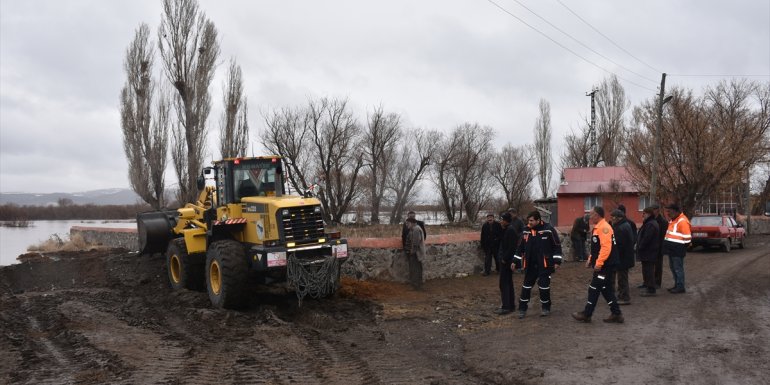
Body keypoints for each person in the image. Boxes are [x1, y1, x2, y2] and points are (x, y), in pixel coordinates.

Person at [572, 206, 624, 323]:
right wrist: (590, 259)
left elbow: (606, 248)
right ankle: (616, 313)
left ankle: (587, 314)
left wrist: (599, 263)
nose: (590, 217)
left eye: (591, 214)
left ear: (597, 215)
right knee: (606, 289)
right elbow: (597, 247)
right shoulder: (599, 227)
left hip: (606, 266)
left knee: (594, 288)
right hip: (605, 264)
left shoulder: (604, 227)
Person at [513, 210, 563, 318]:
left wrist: (557, 261)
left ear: (538, 220)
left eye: (531, 221)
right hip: (530, 265)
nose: (529, 223)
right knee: (526, 287)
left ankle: (546, 308)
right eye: (528, 220)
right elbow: (520, 248)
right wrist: (515, 261)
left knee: (544, 286)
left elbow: (557, 246)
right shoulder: (526, 231)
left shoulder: (548, 229)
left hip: (544, 264)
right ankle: (522, 309)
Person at [495, 212, 520, 315]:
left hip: (506, 261)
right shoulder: (507, 229)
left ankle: (506, 307)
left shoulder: (510, 230)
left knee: (504, 284)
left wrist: (504, 259)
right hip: (506, 261)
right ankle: (510, 305)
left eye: (502, 219)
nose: (501, 221)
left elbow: (512, 247)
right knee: (507, 283)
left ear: (506, 221)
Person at [663, 203, 691, 294]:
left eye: (669, 211)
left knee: (678, 268)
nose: (668, 213)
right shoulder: (674, 220)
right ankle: (677, 285)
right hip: (673, 249)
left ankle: (680, 287)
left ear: (675, 211)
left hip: (677, 249)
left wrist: (682, 247)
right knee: (673, 268)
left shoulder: (682, 221)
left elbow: (687, 238)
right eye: (667, 211)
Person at [610, 209, 635, 305]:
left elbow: (619, 245)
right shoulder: (625, 225)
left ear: (618, 217)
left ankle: (624, 297)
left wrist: (614, 256)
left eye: (613, 217)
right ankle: (622, 295)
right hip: (626, 256)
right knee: (623, 277)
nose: (611, 219)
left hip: (622, 258)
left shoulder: (619, 228)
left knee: (622, 278)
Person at [636, 206, 661, 296]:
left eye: (644, 213)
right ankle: (647, 285)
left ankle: (651, 289)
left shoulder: (651, 224)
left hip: (649, 252)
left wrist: (640, 246)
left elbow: (647, 238)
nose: (642, 215)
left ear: (649, 214)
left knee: (649, 270)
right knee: (646, 270)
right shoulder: (650, 223)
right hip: (648, 252)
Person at [404, 217, 426, 290]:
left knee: (415, 269)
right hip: (416, 253)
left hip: (416, 253)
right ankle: (418, 285)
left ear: (412, 223)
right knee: (417, 269)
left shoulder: (416, 229)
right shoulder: (414, 229)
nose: (407, 225)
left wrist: (412, 252)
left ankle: (416, 286)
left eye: (408, 223)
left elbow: (415, 243)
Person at [652, 204, 668, 289]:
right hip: (653, 246)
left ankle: (658, 282)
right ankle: (652, 281)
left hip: (659, 246)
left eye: (653, 209)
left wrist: (661, 247)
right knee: (652, 265)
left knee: (658, 265)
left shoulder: (663, 221)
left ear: (657, 210)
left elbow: (663, 236)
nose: (652, 211)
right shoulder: (652, 220)